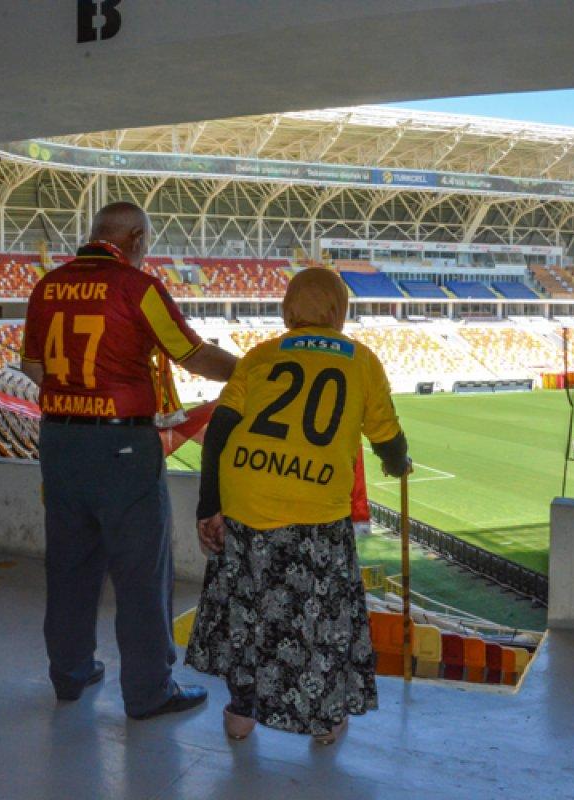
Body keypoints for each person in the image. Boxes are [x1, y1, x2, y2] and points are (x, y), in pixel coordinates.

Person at [20, 201, 237, 719]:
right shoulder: (137, 288)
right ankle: (148, 691)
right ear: (136, 239)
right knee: (141, 570)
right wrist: (254, 370)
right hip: (122, 448)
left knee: (69, 563)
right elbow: (193, 355)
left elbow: (33, 367)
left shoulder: (47, 286)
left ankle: (69, 674)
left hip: (59, 441)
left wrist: (78, 398)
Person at [185, 267, 411, 745]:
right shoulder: (362, 360)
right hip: (315, 515)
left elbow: (219, 432)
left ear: (288, 310)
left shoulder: (261, 355)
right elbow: (387, 437)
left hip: (245, 501)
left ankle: (241, 714)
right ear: (339, 313)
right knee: (320, 622)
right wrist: (398, 463)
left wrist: (210, 507)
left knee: (247, 611)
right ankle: (326, 720)